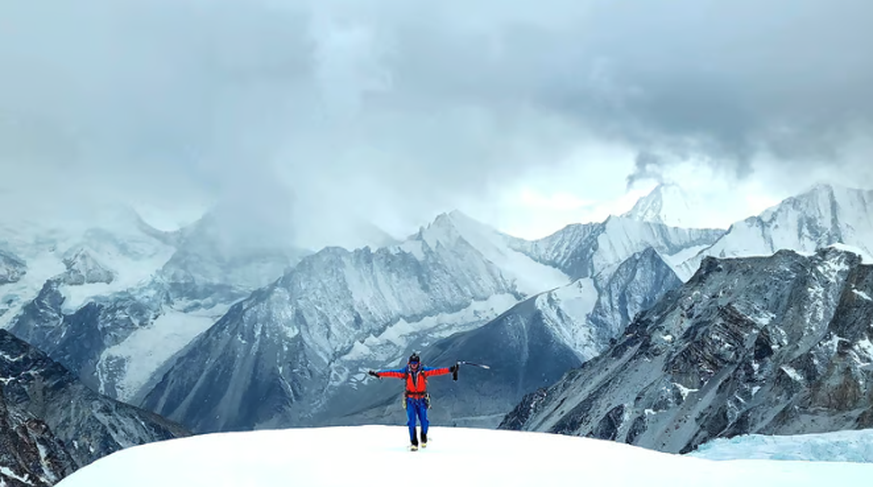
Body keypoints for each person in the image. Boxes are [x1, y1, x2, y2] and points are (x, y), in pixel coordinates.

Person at [368, 352, 459, 450]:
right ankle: (414, 443)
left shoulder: (424, 371)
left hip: (421, 400)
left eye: (415, 362)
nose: (414, 364)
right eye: (412, 362)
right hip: (410, 400)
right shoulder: (405, 372)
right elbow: (392, 373)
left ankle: (423, 435)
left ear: (419, 363)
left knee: (424, 421)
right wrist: (378, 374)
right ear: (409, 363)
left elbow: (436, 371)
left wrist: (450, 369)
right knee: (411, 422)